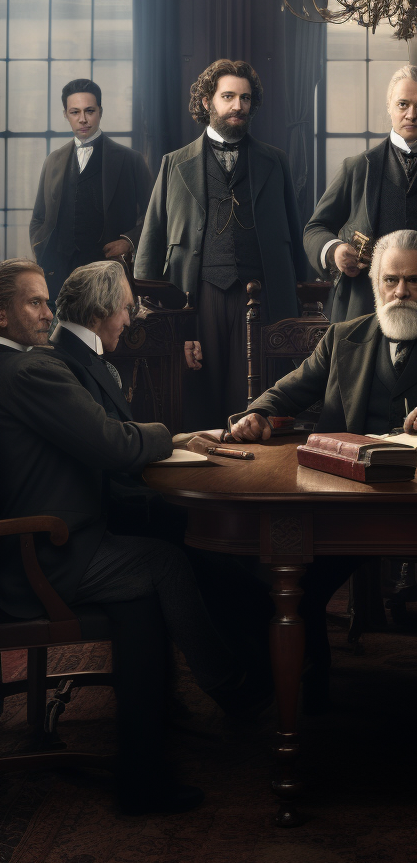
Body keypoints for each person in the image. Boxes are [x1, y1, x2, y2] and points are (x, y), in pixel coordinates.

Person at [0, 258, 265, 815]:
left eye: (47, 300)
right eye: (33, 302)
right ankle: (229, 692)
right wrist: (170, 434)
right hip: (40, 556)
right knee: (164, 565)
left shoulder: (21, 367)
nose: (48, 312)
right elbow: (113, 446)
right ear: (1, 315)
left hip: (28, 544)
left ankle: (144, 767)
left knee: (143, 598)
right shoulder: (32, 372)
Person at [229, 229, 417, 699]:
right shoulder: (343, 338)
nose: (401, 292)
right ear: (374, 284)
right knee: (296, 585)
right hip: (347, 506)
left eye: (414, 281)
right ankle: (312, 668)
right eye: (391, 280)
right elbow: (287, 390)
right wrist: (256, 414)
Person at [135, 59, 307, 426]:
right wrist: (160, 322)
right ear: (206, 102)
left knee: (258, 401)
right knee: (199, 398)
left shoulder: (275, 162)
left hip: (264, 299)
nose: (237, 106)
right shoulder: (174, 163)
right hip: (196, 300)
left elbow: (295, 236)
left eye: (245, 98)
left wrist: (299, 310)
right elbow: (149, 249)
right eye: (228, 96)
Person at [304, 65, 417, 327]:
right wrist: (334, 250)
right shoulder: (357, 168)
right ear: (389, 107)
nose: (411, 115)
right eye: (403, 104)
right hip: (365, 316)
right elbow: (315, 229)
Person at [30, 78, 153, 304]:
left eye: (90, 111)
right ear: (66, 115)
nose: (83, 119)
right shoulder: (53, 161)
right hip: (59, 275)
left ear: (100, 112)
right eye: (75, 112)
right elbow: (38, 217)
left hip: (108, 273)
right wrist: (42, 249)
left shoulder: (130, 160)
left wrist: (128, 241)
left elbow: (155, 214)